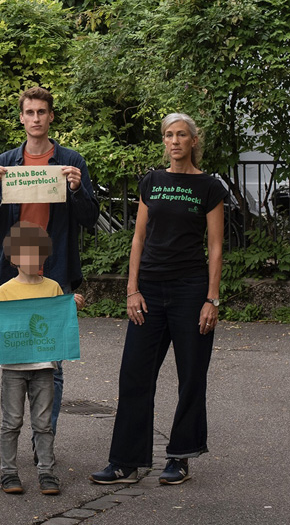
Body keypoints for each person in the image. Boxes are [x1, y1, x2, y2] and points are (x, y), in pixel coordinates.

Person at [0, 87, 99, 459]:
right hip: (9, 274)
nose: (36, 118)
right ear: (22, 118)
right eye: (30, 112)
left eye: (42, 111)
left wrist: (77, 189)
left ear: (51, 117)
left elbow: (90, 218)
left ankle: (44, 442)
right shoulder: (7, 162)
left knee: (51, 362)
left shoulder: (70, 161)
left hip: (55, 275)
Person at [90, 113, 226, 486]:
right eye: (169, 135)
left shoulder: (210, 187)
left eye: (182, 135)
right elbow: (138, 238)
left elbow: (215, 248)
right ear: (163, 141)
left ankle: (180, 456)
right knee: (134, 374)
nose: (175, 141)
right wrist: (132, 289)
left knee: (191, 375)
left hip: (190, 291)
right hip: (149, 290)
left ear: (193, 141)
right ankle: (126, 461)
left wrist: (211, 299)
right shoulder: (152, 181)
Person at [0, 223, 85, 496]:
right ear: (12, 258)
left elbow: (60, 322)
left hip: (45, 367)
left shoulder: (53, 288)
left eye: (36, 254)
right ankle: (8, 473)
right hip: (12, 367)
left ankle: (46, 472)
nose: (31, 260)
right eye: (24, 254)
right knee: (11, 422)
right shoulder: (4, 291)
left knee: (43, 424)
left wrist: (72, 306)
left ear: (44, 256)